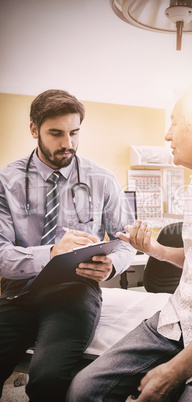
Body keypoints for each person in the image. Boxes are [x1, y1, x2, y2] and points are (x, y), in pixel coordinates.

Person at [67, 80, 192, 402]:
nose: (167, 135)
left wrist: (176, 370)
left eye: (174, 122)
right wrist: (154, 249)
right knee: (84, 389)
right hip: (180, 316)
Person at [0, 89, 136, 401]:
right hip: (18, 291)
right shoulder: (6, 182)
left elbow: (126, 242)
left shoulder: (102, 179)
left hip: (75, 292)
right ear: (34, 130)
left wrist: (113, 264)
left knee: (47, 380)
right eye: (56, 133)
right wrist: (50, 254)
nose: (68, 144)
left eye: (74, 133)